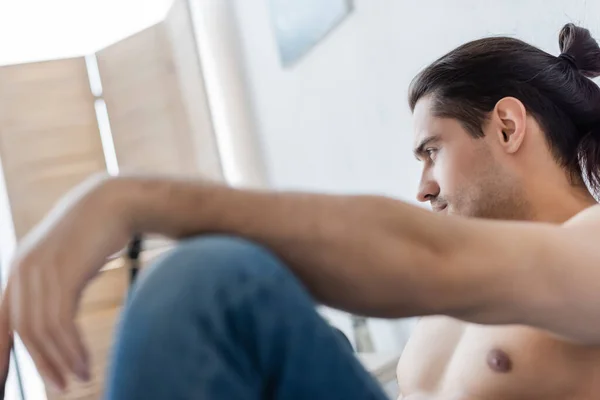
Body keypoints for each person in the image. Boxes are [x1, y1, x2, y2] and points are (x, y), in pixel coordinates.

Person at [1, 22, 600, 399]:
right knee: (234, 294)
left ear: (506, 124)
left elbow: (421, 252)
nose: (422, 188)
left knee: (213, 285)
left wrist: (127, 198)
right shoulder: (461, 295)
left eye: (431, 152)